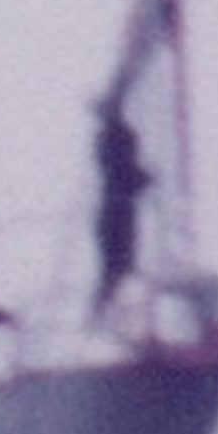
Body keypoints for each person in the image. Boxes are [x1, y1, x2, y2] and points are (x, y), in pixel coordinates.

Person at [92, 94, 153, 305]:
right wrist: (144, 178)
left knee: (117, 267)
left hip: (114, 212)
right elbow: (122, 173)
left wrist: (142, 178)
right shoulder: (114, 139)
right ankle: (105, 309)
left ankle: (105, 308)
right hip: (117, 212)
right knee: (119, 266)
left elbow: (121, 172)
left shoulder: (108, 139)